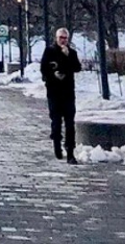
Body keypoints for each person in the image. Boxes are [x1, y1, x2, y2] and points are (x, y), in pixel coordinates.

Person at [40, 28, 82, 164]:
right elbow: (43, 69)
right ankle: (57, 143)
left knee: (70, 123)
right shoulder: (49, 51)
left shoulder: (72, 52)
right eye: (60, 38)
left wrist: (68, 56)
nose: (63, 40)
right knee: (56, 121)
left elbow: (77, 67)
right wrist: (53, 75)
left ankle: (70, 151)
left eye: (65, 38)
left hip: (68, 92)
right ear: (56, 38)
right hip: (54, 92)